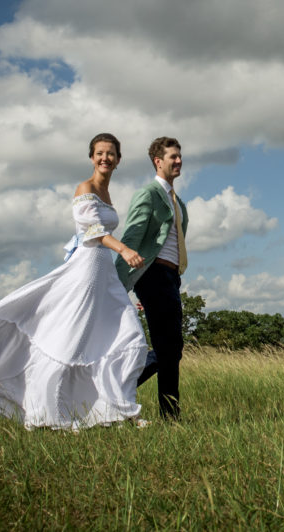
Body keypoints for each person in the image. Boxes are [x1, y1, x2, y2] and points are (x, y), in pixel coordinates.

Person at [0, 133, 151, 431]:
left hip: (104, 272)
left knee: (129, 337)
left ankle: (116, 411)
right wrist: (124, 249)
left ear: (119, 160)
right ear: (92, 157)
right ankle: (48, 414)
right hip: (88, 268)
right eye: (99, 153)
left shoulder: (107, 194)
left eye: (111, 154)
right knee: (73, 341)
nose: (105, 158)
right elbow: (92, 231)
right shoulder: (85, 188)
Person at [117, 136, 188, 420]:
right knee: (168, 348)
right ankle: (117, 390)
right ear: (158, 161)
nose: (179, 161)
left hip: (170, 277)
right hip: (154, 273)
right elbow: (132, 235)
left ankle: (169, 415)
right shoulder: (148, 193)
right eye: (173, 156)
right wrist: (122, 283)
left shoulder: (178, 202)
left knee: (170, 349)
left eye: (180, 156)